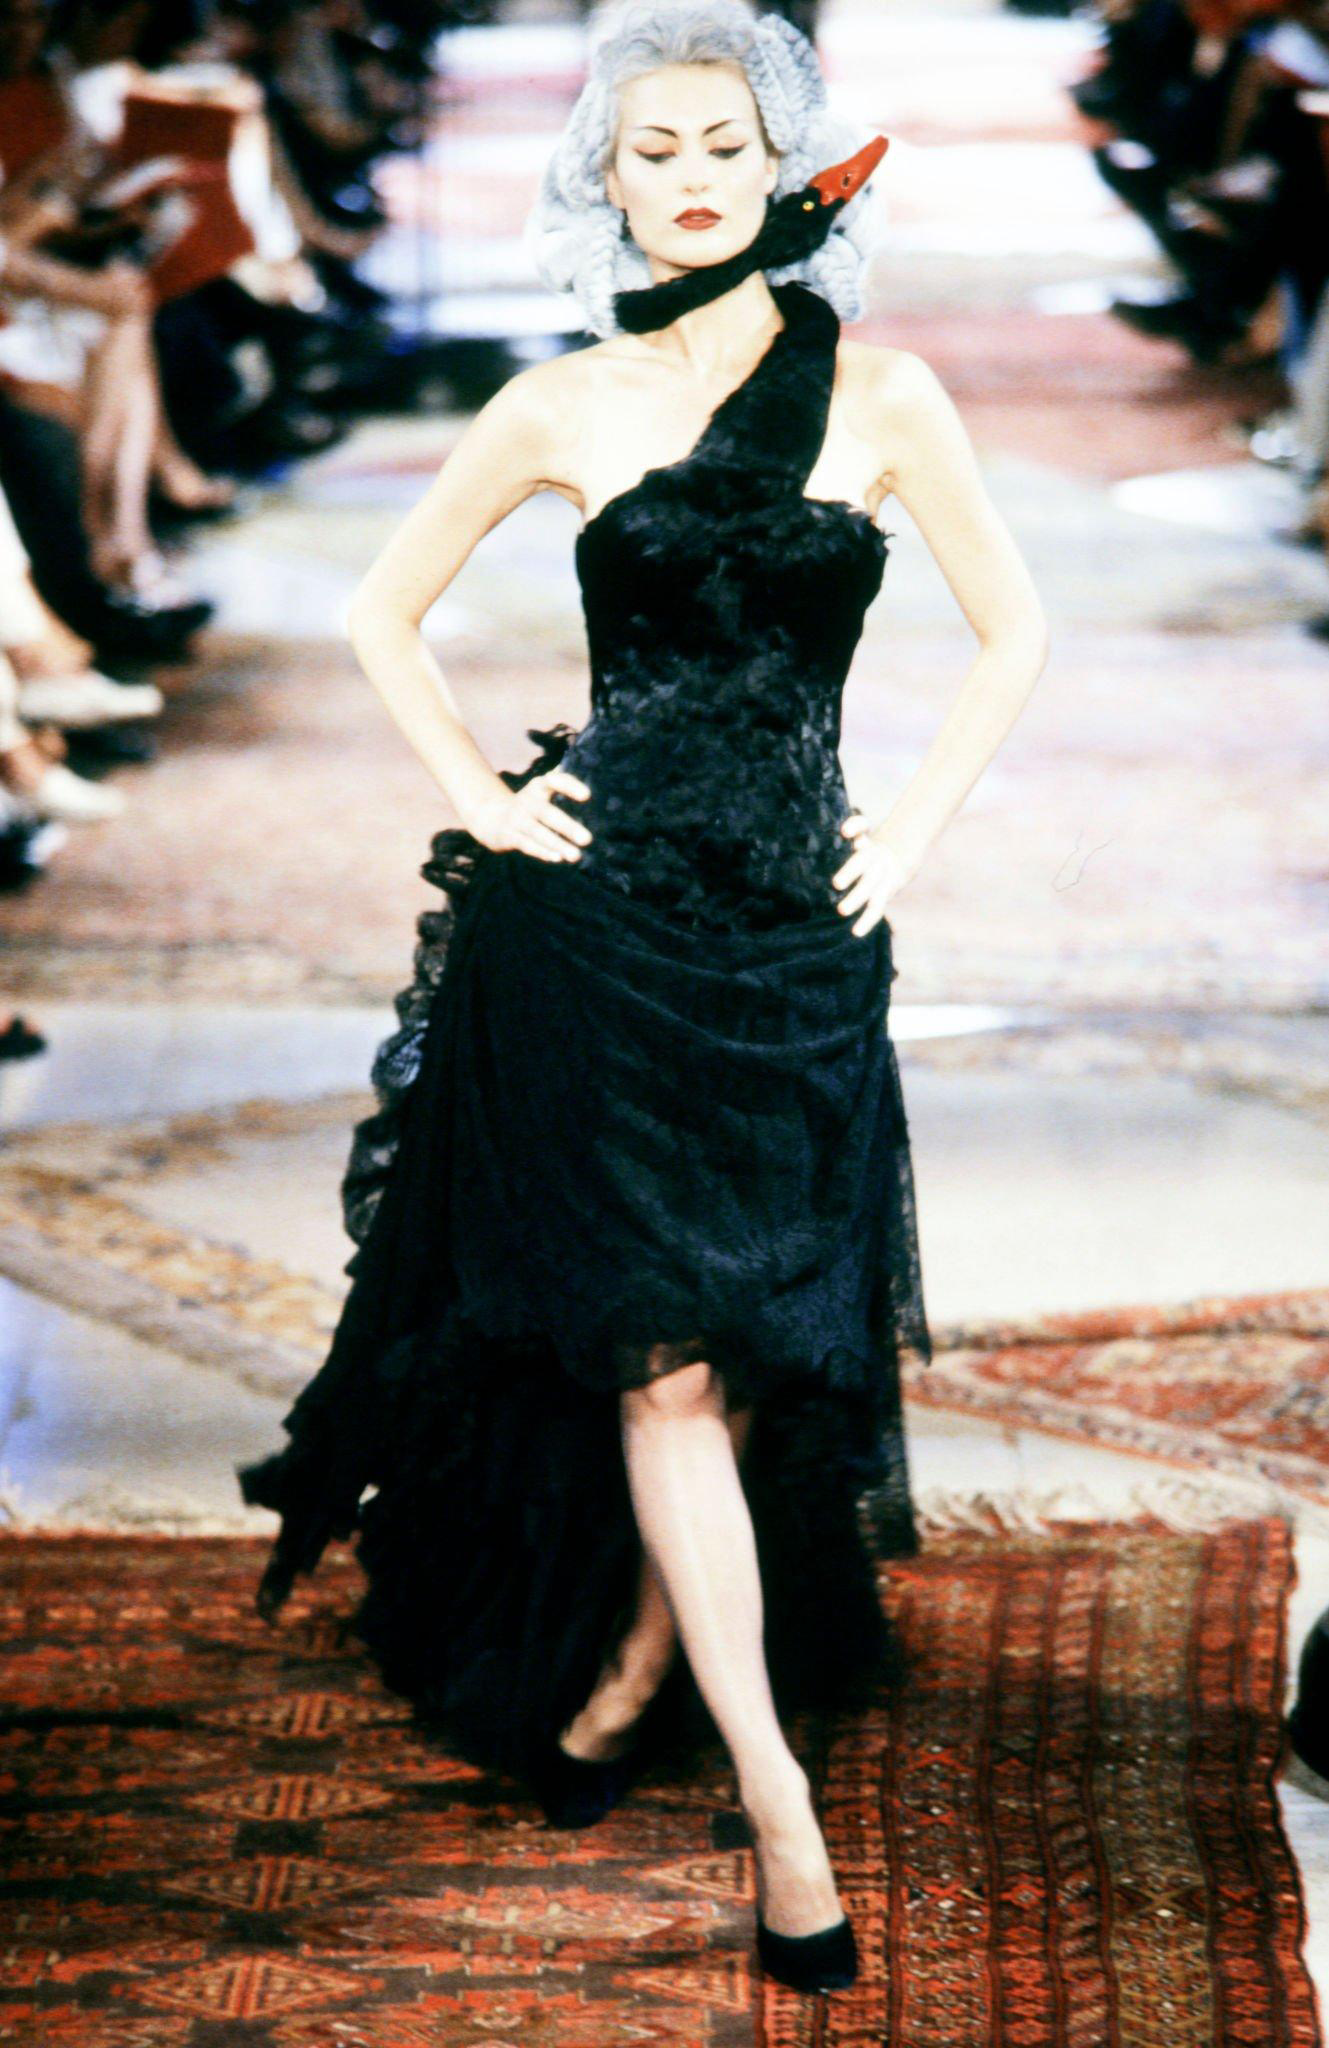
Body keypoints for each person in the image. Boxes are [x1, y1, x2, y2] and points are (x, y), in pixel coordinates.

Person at [237, 0, 1050, 1997]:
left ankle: (621, 1672)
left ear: (780, 165)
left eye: (720, 146)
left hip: (796, 930)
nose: (687, 178)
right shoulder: (561, 404)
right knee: (665, 1369)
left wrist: (911, 831)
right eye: (650, 150)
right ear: (600, 177)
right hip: (597, 927)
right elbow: (379, 611)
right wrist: (481, 803)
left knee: (758, 1343)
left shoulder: (886, 394)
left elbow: (1014, 628)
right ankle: (782, 1810)